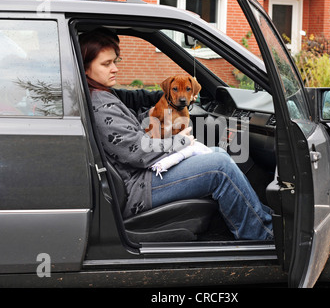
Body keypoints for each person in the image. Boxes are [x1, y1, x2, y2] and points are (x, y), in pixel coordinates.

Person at [79, 28, 273, 241]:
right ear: (86, 68)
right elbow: (137, 152)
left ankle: (261, 216)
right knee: (220, 167)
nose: (115, 68)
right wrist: (182, 142)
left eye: (115, 61)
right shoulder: (101, 104)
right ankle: (261, 234)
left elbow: (129, 130)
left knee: (216, 153)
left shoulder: (102, 95)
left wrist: (154, 114)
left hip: (137, 179)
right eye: (106, 64)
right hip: (137, 187)